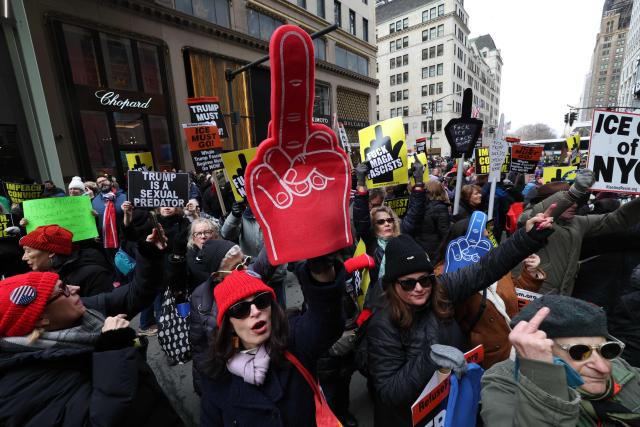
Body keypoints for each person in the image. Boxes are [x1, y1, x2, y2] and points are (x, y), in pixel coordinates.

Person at [365, 210, 554, 426]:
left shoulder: (442, 289)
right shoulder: (383, 323)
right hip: (413, 420)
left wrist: (529, 236)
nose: (418, 288)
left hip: (453, 405)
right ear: (392, 285)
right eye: (408, 283)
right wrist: (430, 359)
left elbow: (487, 267)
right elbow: (389, 393)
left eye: (425, 280)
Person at [0, 229, 185, 426]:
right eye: (63, 289)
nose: (75, 288)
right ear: (41, 320)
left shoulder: (85, 309)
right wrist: (113, 350)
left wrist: (149, 255)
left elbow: (135, 294)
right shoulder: (19, 387)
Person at [199, 255, 346, 426]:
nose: (255, 311)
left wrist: (321, 267)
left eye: (261, 300)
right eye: (240, 309)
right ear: (229, 324)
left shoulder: (294, 340)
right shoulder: (215, 376)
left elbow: (326, 323)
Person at [481, 295, 640, 426]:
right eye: (580, 352)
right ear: (539, 352)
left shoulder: (620, 366)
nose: (603, 368)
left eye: (606, 350)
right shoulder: (503, 382)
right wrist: (542, 375)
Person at [518, 169, 640, 295]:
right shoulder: (528, 219)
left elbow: (616, 219)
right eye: (569, 201)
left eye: (576, 200)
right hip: (530, 292)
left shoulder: (578, 223)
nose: (575, 205)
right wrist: (574, 192)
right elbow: (539, 213)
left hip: (560, 299)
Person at [189, 239, 276, 394]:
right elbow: (199, 346)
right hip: (230, 375)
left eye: (246, 261)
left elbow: (270, 252)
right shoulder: (200, 299)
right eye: (237, 267)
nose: (246, 269)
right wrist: (208, 386)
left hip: (270, 363)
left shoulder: (251, 275)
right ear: (217, 276)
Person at [352, 161, 426, 298]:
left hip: (404, 295)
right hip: (379, 297)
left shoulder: (402, 236)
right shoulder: (372, 242)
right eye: (381, 222)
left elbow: (416, 213)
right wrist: (361, 183)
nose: (387, 224)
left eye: (389, 220)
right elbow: (361, 217)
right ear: (374, 226)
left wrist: (419, 182)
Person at [19, 225, 115, 297]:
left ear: (51, 252)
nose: (24, 258)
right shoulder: (41, 274)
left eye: (28, 251)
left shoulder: (95, 275)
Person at [406, 179, 451, 260]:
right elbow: (445, 233)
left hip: (421, 247)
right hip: (435, 249)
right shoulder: (440, 208)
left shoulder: (420, 206)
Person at [92, 175, 127, 254]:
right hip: (106, 239)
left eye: (104, 180)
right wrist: (94, 233)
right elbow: (93, 220)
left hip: (124, 237)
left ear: (111, 182)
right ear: (98, 186)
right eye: (99, 182)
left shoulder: (124, 197)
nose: (102, 183)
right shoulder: (94, 201)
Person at [186, 217, 220, 289]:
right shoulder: (190, 257)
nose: (203, 236)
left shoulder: (225, 250)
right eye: (198, 233)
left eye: (207, 232)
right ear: (193, 238)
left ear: (215, 235)